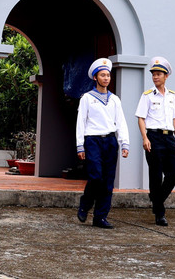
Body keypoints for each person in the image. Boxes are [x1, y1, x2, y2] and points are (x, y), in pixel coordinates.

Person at [75, 57, 130, 229]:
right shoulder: (87, 98)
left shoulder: (115, 99)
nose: (106, 78)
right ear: (95, 77)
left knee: (108, 181)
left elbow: (121, 122)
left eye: (108, 75)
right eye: (102, 75)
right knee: (96, 176)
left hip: (110, 141)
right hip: (93, 140)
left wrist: (124, 143)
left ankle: (100, 217)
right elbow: (81, 122)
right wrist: (80, 145)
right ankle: (85, 204)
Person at [135, 56, 175, 227]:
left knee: (174, 174)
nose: (155, 77)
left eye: (158, 74)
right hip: (154, 137)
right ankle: (160, 214)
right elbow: (141, 118)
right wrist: (145, 138)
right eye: (153, 74)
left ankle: (156, 199)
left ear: (166, 76)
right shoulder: (147, 96)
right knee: (155, 175)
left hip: (169, 138)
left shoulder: (171, 96)